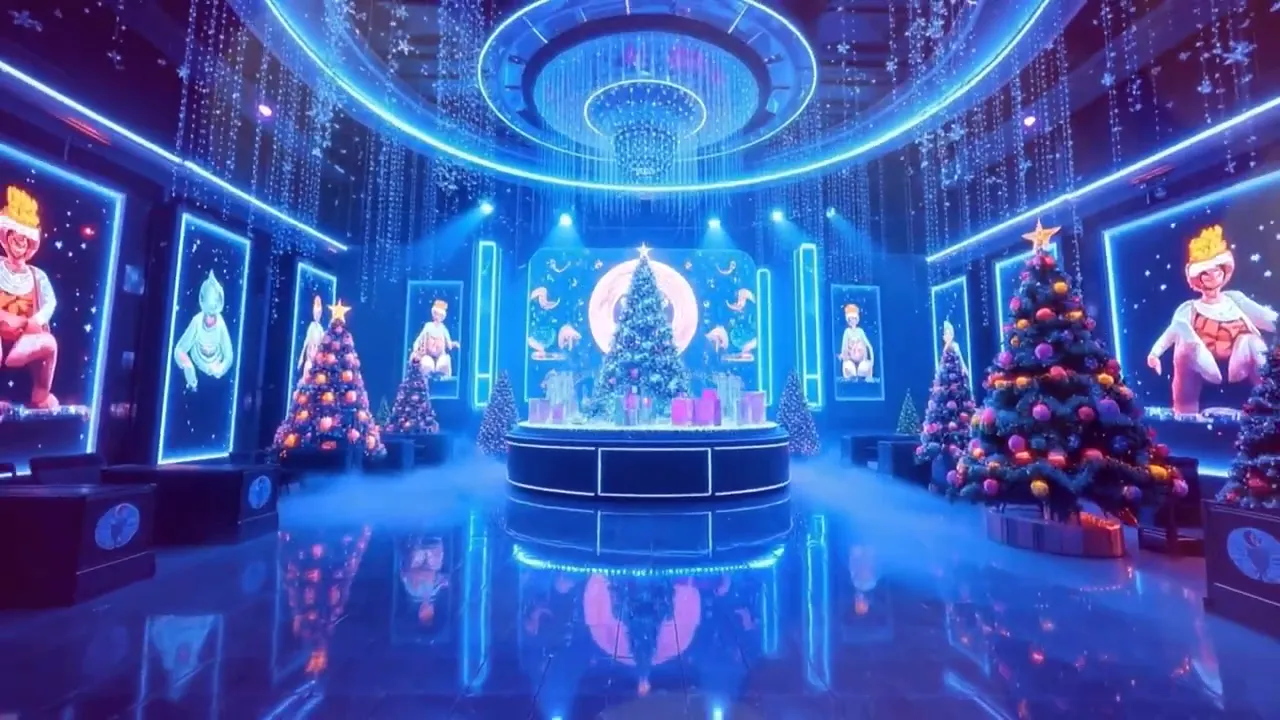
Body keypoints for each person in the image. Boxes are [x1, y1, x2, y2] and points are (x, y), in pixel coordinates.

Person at [1147, 225, 1276, 415]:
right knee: (1184, 340)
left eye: (1217, 271)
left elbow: (1266, 318)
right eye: (1206, 273)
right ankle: (1185, 412)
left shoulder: (1235, 299)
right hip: (1202, 365)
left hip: (1237, 364)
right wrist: (1154, 354)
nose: (1213, 277)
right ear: (1198, 278)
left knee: (1253, 342)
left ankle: (1272, 404)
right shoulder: (1189, 308)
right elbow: (1172, 331)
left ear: (1224, 271)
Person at [0, 186, 59, 408]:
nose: (21, 244)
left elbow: (50, 303)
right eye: (17, 238)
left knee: (50, 343)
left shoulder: (37, 275)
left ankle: (41, 395)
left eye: (26, 240)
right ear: (6, 237)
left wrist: (34, 322)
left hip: (24, 337)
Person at [173, 271, 234, 389]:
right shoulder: (197, 321)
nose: (210, 317)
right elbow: (179, 349)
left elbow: (229, 356)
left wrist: (220, 369)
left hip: (215, 362)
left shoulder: (221, 325)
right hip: (198, 359)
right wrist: (187, 365)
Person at [411, 299, 460, 378]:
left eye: (440, 315)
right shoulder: (428, 326)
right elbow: (419, 339)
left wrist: (454, 344)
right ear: (433, 314)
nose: (437, 317)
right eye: (436, 314)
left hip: (441, 355)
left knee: (443, 364)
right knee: (426, 365)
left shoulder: (443, 328)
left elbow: (449, 344)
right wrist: (416, 349)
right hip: (428, 355)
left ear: (443, 317)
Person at [838, 303, 874, 379]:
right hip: (850, 361)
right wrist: (844, 357)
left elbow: (869, 346)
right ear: (848, 320)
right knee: (849, 370)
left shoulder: (860, 331)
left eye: (854, 318)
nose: (852, 321)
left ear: (857, 319)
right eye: (850, 319)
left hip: (863, 360)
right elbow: (844, 348)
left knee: (863, 370)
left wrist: (871, 362)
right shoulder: (847, 332)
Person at [298, 295, 325, 379]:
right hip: (310, 358)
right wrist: (301, 358)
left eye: (319, 312)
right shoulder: (312, 327)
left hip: (317, 358)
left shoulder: (320, 329)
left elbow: (323, 342)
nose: (317, 314)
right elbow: (306, 342)